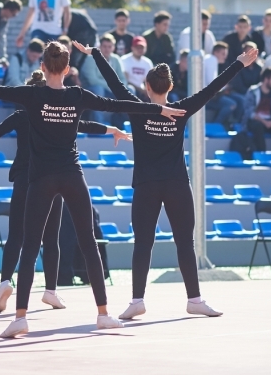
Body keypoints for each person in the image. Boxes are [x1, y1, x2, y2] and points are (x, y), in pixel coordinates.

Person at [0, 42, 185, 337]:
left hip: (42, 179)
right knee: (88, 244)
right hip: (72, 175)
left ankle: (21, 317)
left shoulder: (32, 95)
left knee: (31, 247)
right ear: (68, 70)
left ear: (43, 67)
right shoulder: (77, 95)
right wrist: (159, 108)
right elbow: (117, 105)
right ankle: (103, 313)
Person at [73, 41, 257, 320]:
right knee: (185, 242)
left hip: (147, 185)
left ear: (147, 88)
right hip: (176, 185)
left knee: (143, 243)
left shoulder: (136, 108)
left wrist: (95, 53)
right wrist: (240, 63)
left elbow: (114, 82)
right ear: (169, 88)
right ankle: (193, 298)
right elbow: (211, 90)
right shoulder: (181, 109)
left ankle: (138, 299)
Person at [0, 72, 128, 313]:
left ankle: (6, 283)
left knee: (18, 236)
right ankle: (50, 291)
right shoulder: (56, 113)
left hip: (26, 179)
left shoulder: (21, 116)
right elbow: (83, 124)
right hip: (50, 175)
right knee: (51, 239)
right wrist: (112, 129)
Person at [79, 34, 127, 126]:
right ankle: (99, 125)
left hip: (111, 89)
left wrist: (120, 88)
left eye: (109, 46)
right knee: (98, 89)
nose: (107, 49)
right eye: (104, 46)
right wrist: (113, 86)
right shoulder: (91, 58)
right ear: (99, 46)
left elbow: (123, 78)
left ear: (113, 48)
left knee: (130, 89)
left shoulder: (116, 59)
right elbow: (92, 80)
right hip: (91, 90)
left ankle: (125, 124)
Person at [241, 67, 271, 152]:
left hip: (270, 121)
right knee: (258, 127)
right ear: (266, 79)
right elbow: (249, 112)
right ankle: (262, 153)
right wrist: (265, 122)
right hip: (255, 121)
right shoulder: (253, 91)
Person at [204, 42, 237, 128]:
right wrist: (226, 87)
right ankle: (215, 126)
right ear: (216, 52)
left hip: (205, 95)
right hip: (205, 98)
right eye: (223, 54)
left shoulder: (208, 59)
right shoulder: (212, 60)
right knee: (231, 104)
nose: (225, 57)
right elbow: (211, 82)